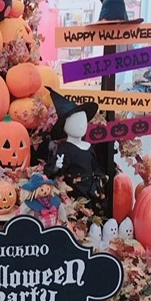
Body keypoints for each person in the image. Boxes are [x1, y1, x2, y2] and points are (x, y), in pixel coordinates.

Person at [44, 89, 108, 217]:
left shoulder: (88, 147)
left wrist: (101, 178)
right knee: (78, 214)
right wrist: (57, 166)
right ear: (65, 126)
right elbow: (51, 172)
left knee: (94, 215)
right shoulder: (65, 148)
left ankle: (95, 224)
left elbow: (95, 167)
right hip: (75, 192)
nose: (81, 126)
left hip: (92, 190)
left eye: (83, 122)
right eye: (76, 122)